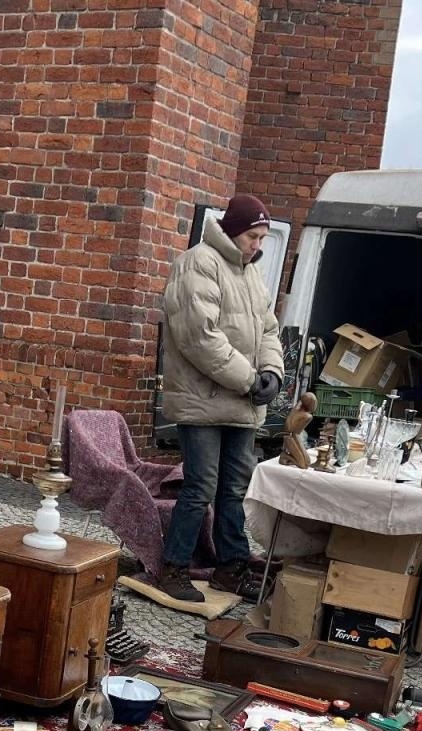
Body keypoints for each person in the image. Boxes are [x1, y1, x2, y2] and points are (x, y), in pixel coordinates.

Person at [156, 193, 284, 602]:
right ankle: (172, 569)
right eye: (252, 235)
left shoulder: (251, 275)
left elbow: (269, 331)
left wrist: (271, 372)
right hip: (203, 401)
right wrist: (250, 380)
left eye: (263, 238)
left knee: (234, 489)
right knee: (200, 488)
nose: (258, 245)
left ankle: (231, 568)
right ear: (232, 231)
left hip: (240, 403)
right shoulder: (197, 262)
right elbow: (198, 337)